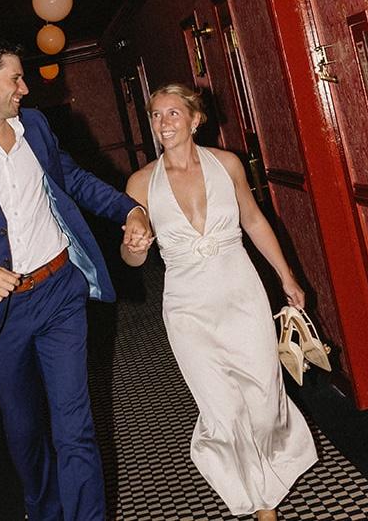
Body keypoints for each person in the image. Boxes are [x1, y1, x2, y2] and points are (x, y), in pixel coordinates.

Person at [0, 36, 153, 521]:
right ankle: (44, 510)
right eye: (15, 78)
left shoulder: (34, 127)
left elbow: (73, 179)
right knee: (24, 430)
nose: (24, 88)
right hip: (1, 312)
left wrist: (128, 209)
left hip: (59, 291)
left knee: (75, 424)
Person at [121, 83, 317, 520]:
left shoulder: (227, 165)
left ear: (195, 120)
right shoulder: (140, 183)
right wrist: (134, 246)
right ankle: (262, 504)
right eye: (156, 115)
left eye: (173, 113)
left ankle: (273, 471)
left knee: (263, 400)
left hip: (241, 294)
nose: (163, 123)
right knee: (222, 409)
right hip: (186, 307)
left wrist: (286, 276)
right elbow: (131, 258)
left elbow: (254, 220)